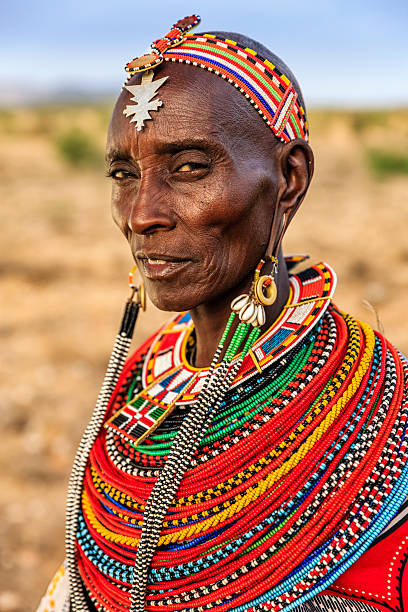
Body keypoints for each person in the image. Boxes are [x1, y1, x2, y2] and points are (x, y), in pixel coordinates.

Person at [37, 14, 408, 612]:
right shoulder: (140, 380)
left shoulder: (386, 415)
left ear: (289, 180)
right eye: (124, 174)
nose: (140, 214)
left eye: (189, 168)